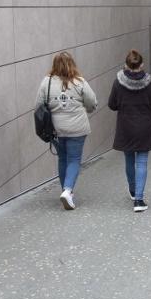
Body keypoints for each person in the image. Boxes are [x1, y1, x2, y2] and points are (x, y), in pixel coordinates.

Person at [39, 51, 98, 210]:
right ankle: (68, 190)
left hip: (56, 128)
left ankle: (66, 191)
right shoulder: (79, 82)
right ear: (72, 63)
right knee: (74, 159)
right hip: (77, 128)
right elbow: (92, 102)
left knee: (63, 159)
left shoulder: (47, 82)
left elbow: (39, 105)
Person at [108, 49, 151, 213]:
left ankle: (132, 190)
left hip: (126, 127)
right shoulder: (149, 82)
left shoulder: (118, 82)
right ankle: (139, 199)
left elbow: (112, 104)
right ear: (142, 64)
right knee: (142, 162)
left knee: (129, 160)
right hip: (144, 127)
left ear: (126, 64)